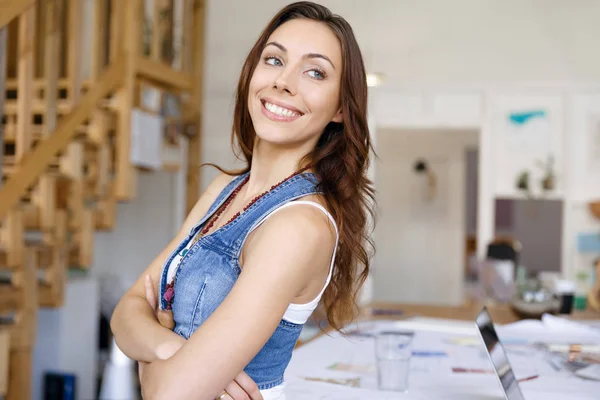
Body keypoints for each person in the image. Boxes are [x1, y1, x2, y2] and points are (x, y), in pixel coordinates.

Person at [110, 2, 375, 399]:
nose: (284, 82)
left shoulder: (299, 226)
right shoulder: (223, 188)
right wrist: (171, 350)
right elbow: (125, 310)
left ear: (340, 108)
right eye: (274, 59)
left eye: (315, 71)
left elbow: (169, 395)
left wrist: (147, 358)